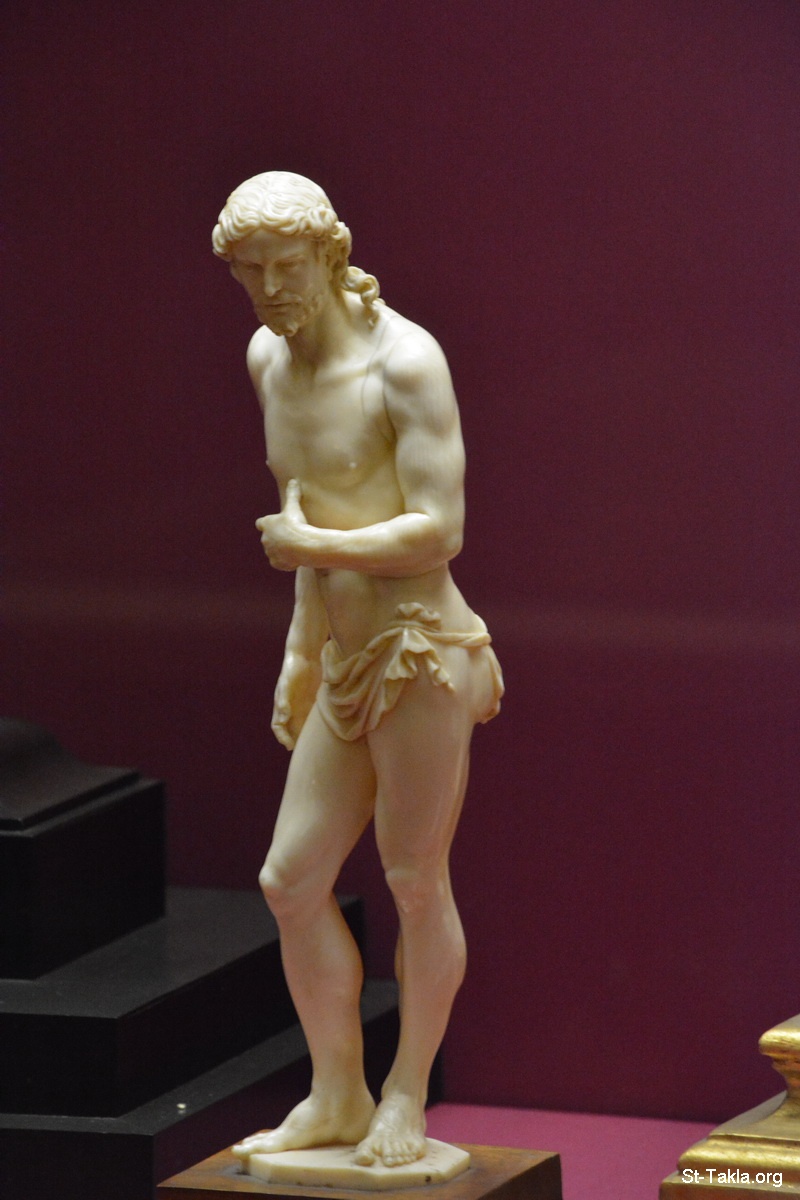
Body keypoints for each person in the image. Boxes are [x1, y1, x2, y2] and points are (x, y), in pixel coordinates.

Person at [212, 172, 503, 1169]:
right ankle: (337, 1090)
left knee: (413, 878)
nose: (269, 291)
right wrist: (301, 652)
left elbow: (439, 529)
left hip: (422, 649)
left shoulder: (404, 363)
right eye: (250, 273)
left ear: (330, 255)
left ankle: (405, 1094)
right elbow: (307, 509)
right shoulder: (267, 360)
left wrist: (308, 550)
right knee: (290, 881)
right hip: (342, 657)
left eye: (286, 267)